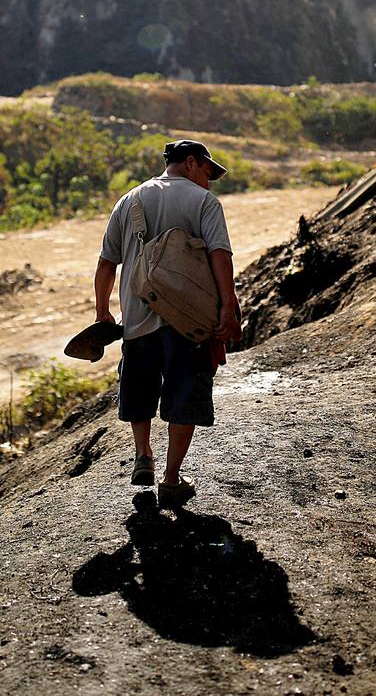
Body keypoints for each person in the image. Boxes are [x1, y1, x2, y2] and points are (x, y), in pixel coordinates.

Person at [93, 139, 243, 508]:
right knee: (184, 393)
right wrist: (229, 305)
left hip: (137, 319)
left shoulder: (129, 201)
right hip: (188, 321)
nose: (209, 182)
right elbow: (220, 256)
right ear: (191, 163)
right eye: (208, 173)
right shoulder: (203, 202)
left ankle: (143, 453)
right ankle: (172, 479)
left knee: (139, 387)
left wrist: (102, 312)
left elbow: (106, 264)